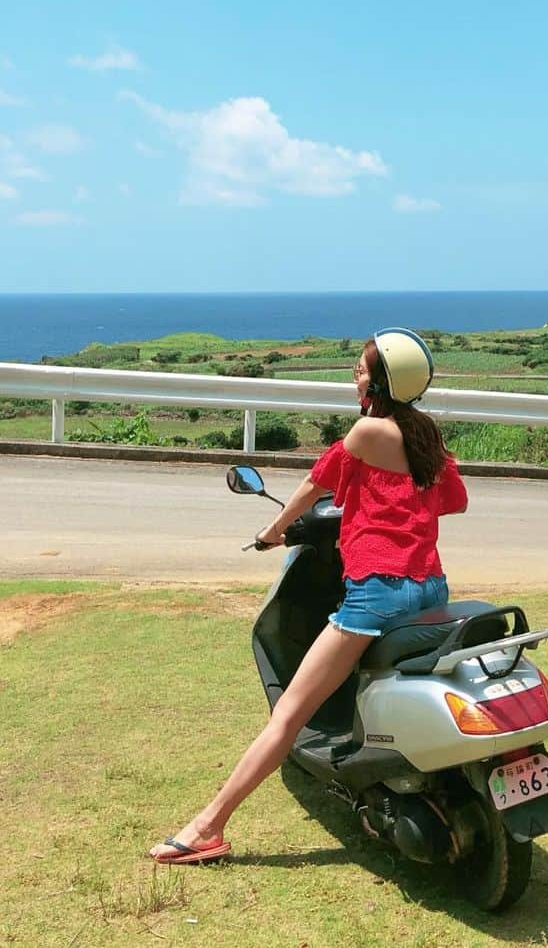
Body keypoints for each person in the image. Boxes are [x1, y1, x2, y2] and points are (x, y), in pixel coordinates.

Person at [150, 327, 468, 865]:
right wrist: (391, 506)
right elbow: (453, 500)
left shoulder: (368, 431)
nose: (355, 376)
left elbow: (314, 484)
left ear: (382, 383)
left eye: (363, 369)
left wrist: (273, 532)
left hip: (379, 594)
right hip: (430, 587)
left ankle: (208, 826)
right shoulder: (426, 435)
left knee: (289, 714)